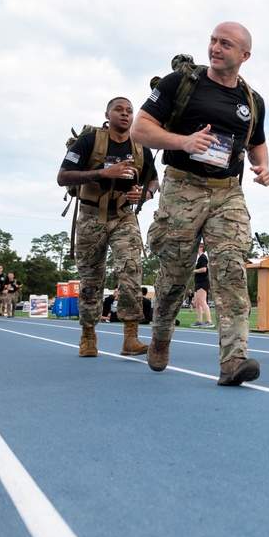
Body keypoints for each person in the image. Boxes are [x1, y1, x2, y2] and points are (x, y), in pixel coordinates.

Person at [133, 21, 269, 386]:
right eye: (213, 40)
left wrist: (263, 166)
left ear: (244, 55)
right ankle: (160, 336)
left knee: (230, 270)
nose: (215, 47)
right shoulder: (179, 84)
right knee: (175, 276)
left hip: (228, 192)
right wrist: (183, 142)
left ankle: (233, 360)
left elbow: (256, 140)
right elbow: (140, 128)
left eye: (225, 43)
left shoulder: (252, 101)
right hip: (183, 188)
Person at [58, 96, 158, 357]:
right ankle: (88, 336)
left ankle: (130, 337)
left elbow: (154, 181)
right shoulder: (89, 141)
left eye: (129, 111)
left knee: (131, 272)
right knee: (91, 279)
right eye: (119, 110)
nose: (125, 114)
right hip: (91, 216)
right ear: (107, 114)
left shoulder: (140, 147)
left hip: (124, 216)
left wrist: (145, 195)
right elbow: (63, 177)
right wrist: (104, 173)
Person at [192, 242, 213, 328]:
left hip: (202, 282)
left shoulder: (203, 258)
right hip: (198, 282)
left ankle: (209, 321)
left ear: (201, 248)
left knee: (202, 301)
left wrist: (194, 271)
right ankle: (199, 320)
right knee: (197, 302)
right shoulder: (200, 258)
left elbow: (204, 269)